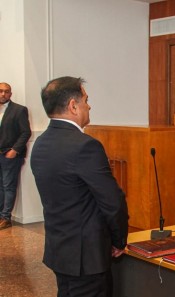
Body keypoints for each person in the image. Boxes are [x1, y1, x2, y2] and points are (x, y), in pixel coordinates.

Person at [31, 77, 128, 296]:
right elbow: (112, 201)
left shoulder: (41, 143)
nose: (89, 105)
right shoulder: (86, 146)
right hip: (87, 257)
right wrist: (119, 240)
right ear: (73, 106)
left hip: (60, 250)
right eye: (86, 99)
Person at [0, 82, 31, 230]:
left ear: (10, 94)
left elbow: (26, 132)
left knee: (8, 186)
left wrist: (15, 150)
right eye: (0, 91)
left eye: (6, 92)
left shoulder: (19, 110)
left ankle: (6, 218)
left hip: (10, 155)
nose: (3, 94)